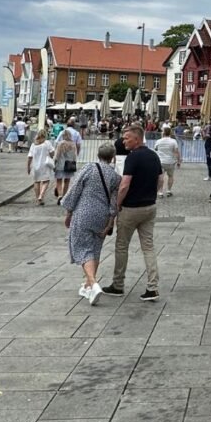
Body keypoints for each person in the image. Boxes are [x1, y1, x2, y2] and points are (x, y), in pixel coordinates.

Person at [102, 124, 162, 301]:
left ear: (137, 139)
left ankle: (118, 285)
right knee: (148, 247)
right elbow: (161, 179)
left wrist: (117, 206)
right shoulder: (153, 156)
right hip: (149, 207)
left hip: (130, 209)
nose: (123, 141)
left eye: (127, 138)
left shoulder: (132, 158)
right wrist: (152, 195)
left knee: (122, 246)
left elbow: (124, 185)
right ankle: (152, 287)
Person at [63, 143, 120, 304]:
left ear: (98, 155)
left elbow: (75, 189)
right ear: (112, 157)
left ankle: (94, 284)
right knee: (95, 249)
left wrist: (68, 212)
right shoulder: (115, 177)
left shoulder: (89, 168)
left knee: (82, 248)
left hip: (84, 212)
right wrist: (109, 223)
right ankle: (87, 286)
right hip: (102, 216)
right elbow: (114, 203)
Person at [27, 129, 55, 204]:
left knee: (36, 181)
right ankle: (41, 195)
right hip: (45, 165)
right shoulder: (47, 143)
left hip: (35, 165)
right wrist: (51, 155)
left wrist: (28, 167)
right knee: (45, 181)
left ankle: (38, 199)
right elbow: (52, 153)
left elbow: (29, 157)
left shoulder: (33, 144)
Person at [154, 125, 181, 197]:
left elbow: (155, 149)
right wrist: (178, 161)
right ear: (170, 133)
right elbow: (176, 152)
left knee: (160, 177)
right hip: (170, 161)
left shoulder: (158, 141)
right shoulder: (173, 141)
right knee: (170, 176)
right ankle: (169, 190)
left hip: (161, 161)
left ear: (163, 133)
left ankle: (160, 192)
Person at [54, 130, 79, 204]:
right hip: (69, 164)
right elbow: (75, 155)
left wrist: (54, 163)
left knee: (59, 181)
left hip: (60, 164)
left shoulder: (60, 144)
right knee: (67, 181)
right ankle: (64, 196)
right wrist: (74, 162)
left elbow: (57, 155)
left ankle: (60, 195)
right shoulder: (73, 144)